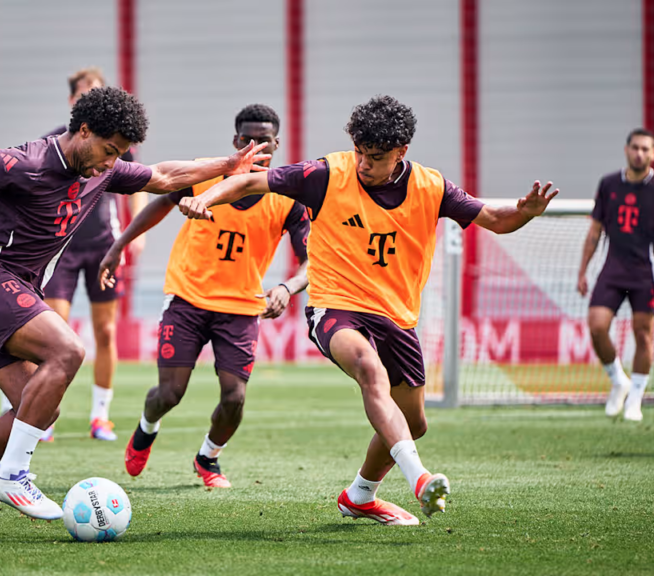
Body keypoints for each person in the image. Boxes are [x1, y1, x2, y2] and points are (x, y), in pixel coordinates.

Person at [0, 86, 270, 537]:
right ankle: (11, 476)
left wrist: (227, 165)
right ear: (82, 130)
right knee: (69, 351)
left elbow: (164, 174)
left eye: (118, 155)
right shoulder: (30, 160)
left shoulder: (103, 168)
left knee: (38, 405)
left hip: (5, 286)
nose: (108, 162)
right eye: (107, 150)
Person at [176, 95, 557, 524]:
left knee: (413, 423)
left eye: (374, 157)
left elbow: (495, 218)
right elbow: (248, 182)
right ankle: (420, 480)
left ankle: (359, 496)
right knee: (369, 370)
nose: (362, 164)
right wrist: (206, 197)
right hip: (335, 305)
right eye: (358, 151)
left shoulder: (432, 187)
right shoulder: (326, 173)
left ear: (401, 153)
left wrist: (523, 214)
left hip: (396, 316)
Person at [100, 103, 309, 488]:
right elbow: (159, 202)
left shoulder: (289, 197)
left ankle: (207, 457)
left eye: (263, 140)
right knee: (169, 393)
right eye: (246, 139)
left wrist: (286, 287)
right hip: (187, 298)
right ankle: (147, 429)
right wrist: (119, 248)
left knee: (235, 398)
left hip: (242, 307)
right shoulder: (205, 175)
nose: (254, 146)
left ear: (276, 144)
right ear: (235, 140)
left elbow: (311, 262)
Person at [38, 67, 147, 442]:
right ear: (73, 102)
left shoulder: (117, 142)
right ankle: (45, 414)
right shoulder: (54, 141)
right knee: (55, 332)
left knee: (105, 331)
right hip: (62, 247)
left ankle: (100, 416)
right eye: (85, 95)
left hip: (103, 243)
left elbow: (143, 181)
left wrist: (137, 231)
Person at [577, 128, 654, 422]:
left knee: (643, 334)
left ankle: (635, 398)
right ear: (626, 150)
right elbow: (595, 230)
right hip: (612, 269)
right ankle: (618, 380)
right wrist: (583, 270)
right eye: (635, 148)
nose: (640, 153)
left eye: (646, 149)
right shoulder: (608, 184)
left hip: (645, 271)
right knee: (597, 326)